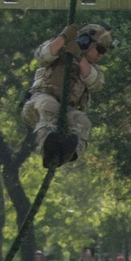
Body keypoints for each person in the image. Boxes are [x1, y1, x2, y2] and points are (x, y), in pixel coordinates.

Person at [22, 22, 114, 168]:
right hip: (38, 103)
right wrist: (64, 38)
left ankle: (67, 153)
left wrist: (79, 56)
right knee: (50, 106)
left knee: (83, 121)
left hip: (66, 111)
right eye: (99, 49)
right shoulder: (58, 51)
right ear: (86, 42)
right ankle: (48, 149)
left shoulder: (92, 69)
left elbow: (95, 82)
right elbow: (42, 56)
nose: (100, 55)